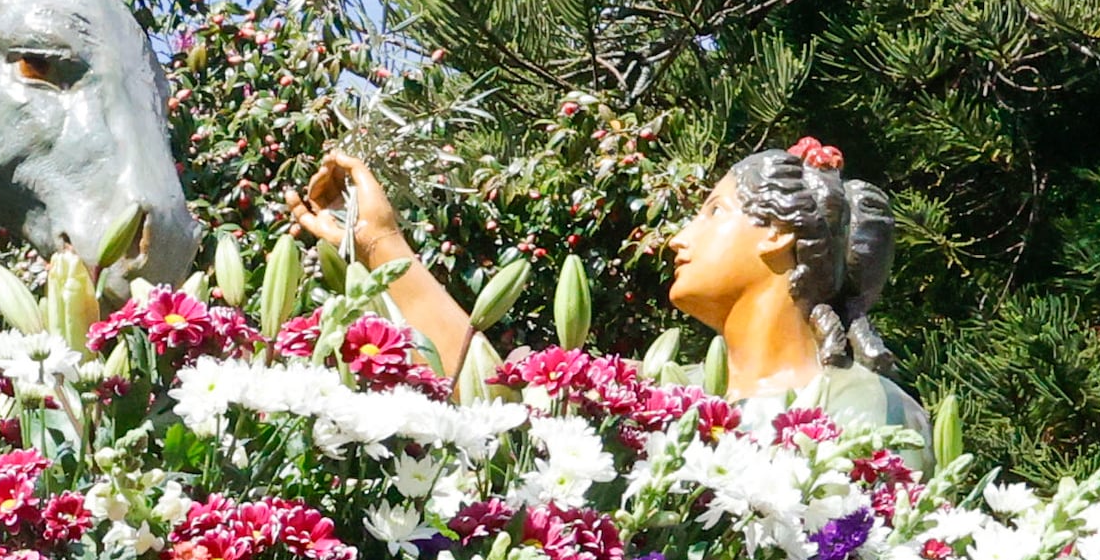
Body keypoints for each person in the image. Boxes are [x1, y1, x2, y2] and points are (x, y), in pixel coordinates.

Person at [300, 139, 925, 431]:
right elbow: (488, 388)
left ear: (777, 235)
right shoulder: (661, 392)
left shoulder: (865, 406)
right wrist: (378, 242)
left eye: (713, 212)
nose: (679, 238)